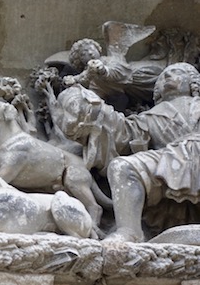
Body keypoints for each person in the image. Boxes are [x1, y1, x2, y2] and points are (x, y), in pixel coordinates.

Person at [52, 63, 200, 242]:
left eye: (175, 73)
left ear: (193, 82)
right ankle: (130, 232)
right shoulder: (150, 117)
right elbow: (122, 133)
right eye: (162, 78)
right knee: (122, 166)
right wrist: (94, 109)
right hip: (170, 160)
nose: (166, 78)